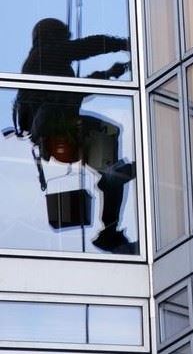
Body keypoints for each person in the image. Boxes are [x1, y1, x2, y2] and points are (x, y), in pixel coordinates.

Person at [13, 18, 136, 254]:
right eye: (63, 37)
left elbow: (72, 93)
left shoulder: (39, 63)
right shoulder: (47, 53)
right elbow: (90, 46)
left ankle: (110, 219)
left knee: (110, 145)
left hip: (52, 128)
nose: (66, 41)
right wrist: (124, 44)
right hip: (56, 125)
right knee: (109, 133)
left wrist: (107, 74)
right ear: (53, 36)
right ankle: (110, 179)